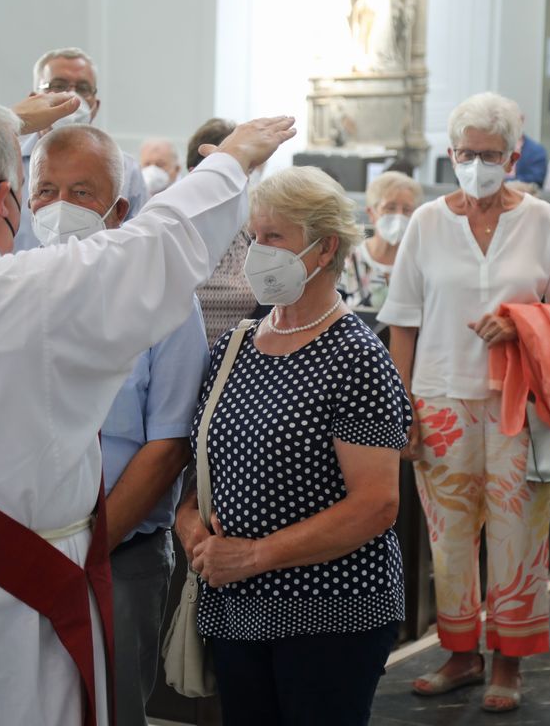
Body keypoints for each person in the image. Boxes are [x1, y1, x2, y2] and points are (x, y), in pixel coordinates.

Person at [0, 90, 295, 726]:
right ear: (7, 199)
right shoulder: (32, 291)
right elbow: (159, 240)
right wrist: (230, 160)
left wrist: (4, 124)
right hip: (4, 596)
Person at [175, 166, 412, 726]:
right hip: (236, 609)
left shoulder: (356, 355)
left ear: (324, 246)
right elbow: (200, 472)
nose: (256, 252)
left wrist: (254, 556)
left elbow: (376, 503)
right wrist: (194, 535)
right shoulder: (235, 347)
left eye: (273, 237)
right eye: (253, 237)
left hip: (331, 612)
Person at [379, 92, 550, 713]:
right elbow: (403, 322)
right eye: (466, 153)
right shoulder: (428, 221)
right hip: (439, 396)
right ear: (451, 153)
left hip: (515, 400)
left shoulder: (540, 220)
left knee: (520, 534)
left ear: (513, 156)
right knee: (450, 537)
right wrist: (398, 409)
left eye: (489, 154)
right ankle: (461, 653)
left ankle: (509, 662)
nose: (476, 163)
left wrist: (521, 323)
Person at [26, 125, 209, 725]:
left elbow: (168, 444)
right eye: (46, 190)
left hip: (116, 555)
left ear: (119, 208)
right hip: (15, 549)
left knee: (110, 704)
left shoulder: (164, 300)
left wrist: (87, 550)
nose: (59, 207)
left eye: (81, 192)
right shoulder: (7, 284)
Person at [13, 47, 149, 251]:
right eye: (58, 85)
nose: (72, 97)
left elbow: (137, 246)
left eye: (83, 88)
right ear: (34, 99)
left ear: (95, 105)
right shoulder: (4, 165)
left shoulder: (126, 169)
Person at [188, 117, 264, 343]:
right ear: (196, 172)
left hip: (236, 367)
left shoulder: (252, 234)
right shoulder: (174, 230)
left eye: (248, 169)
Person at [341, 169, 423, 310]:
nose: (399, 216)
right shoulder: (348, 260)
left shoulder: (422, 262)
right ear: (371, 213)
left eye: (407, 210)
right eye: (390, 208)